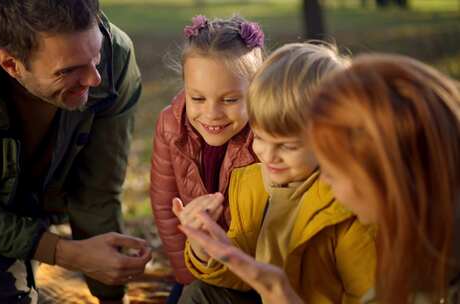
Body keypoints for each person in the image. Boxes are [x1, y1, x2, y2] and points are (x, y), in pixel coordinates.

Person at [0, 0, 151, 303]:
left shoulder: (116, 55)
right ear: (10, 64)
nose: (94, 80)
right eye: (69, 70)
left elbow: (97, 190)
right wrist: (65, 253)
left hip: (25, 206)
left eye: (96, 57)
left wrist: (110, 295)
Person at [181, 54, 460, 303]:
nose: (324, 176)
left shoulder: (373, 235)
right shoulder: (423, 235)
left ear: (386, 174)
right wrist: (211, 250)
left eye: (334, 163)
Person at [177, 43, 376, 304]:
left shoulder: (351, 211)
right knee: (200, 294)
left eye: (288, 146)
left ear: (333, 141)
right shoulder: (255, 184)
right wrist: (207, 247)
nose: (268, 155)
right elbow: (242, 276)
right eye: (259, 137)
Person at [149, 15, 265, 301]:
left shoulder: (266, 139)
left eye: (230, 100)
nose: (212, 114)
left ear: (256, 91)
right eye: (197, 99)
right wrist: (186, 273)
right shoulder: (170, 125)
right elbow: (166, 207)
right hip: (196, 260)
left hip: (255, 268)